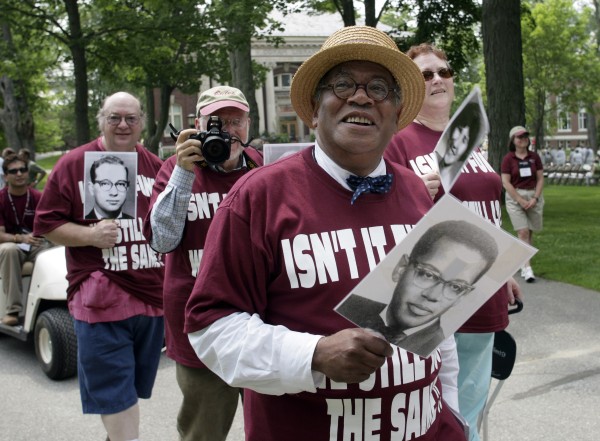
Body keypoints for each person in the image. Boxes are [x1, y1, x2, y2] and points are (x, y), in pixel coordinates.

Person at [184, 26, 466, 441]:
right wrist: (313, 354)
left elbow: (441, 330)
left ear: (395, 114)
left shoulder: (419, 196)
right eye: (342, 84)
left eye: (378, 88)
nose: (361, 97)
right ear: (314, 110)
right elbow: (210, 328)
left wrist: (453, 414)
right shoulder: (258, 197)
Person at [384, 43, 522, 441]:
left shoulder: (468, 138)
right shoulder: (398, 141)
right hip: (432, 295)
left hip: (484, 290)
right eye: (426, 75)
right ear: (409, 86)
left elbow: (485, 210)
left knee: (470, 407)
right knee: (434, 410)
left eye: (443, 71)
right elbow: (379, 212)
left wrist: (505, 270)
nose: (438, 79)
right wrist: (409, 192)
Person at [33, 91, 165, 441]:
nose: (123, 124)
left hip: (151, 298)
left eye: (131, 118)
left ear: (142, 123)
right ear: (100, 119)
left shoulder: (154, 165)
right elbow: (46, 225)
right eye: (114, 117)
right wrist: (89, 235)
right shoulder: (74, 163)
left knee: (128, 393)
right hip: (100, 297)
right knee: (114, 394)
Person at [143, 86, 262, 441]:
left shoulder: (261, 165)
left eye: (235, 120)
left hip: (262, 322)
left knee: (274, 424)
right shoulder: (174, 169)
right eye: (216, 121)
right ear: (197, 125)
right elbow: (161, 241)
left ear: (248, 123)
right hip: (198, 325)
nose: (227, 130)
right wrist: (183, 171)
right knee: (203, 431)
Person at [336, 220, 498, 357]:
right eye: (428, 274)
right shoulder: (349, 306)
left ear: (463, 295)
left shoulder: (440, 350)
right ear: (401, 268)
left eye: (455, 287)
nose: (432, 295)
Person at [0, 155, 53, 326]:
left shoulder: (38, 197)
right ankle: (12, 310)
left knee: (54, 251)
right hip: (10, 245)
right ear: (5, 176)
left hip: (36, 243)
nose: (19, 174)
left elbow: (51, 224)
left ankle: (54, 303)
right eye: (13, 171)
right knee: (10, 250)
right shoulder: (1, 199)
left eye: (22, 170)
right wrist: (20, 238)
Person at [501, 125, 544, 283]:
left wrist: (535, 198)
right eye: (520, 137)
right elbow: (505, 182)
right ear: (513, 140)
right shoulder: (508, 159)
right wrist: (520, 200)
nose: (523, 139)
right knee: (523, 232)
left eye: (525, 136)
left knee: (529, 232)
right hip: (515, 197)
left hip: (533, 195)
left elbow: (540, 178)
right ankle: (527, 268)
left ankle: (522, 261)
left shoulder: (534, 157)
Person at [85, 154, 134, 219]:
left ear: (127, 188)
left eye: (121, 184)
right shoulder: (80, 224)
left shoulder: (139, 223)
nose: (114, 193)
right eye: (105, 184)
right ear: (91, 189)